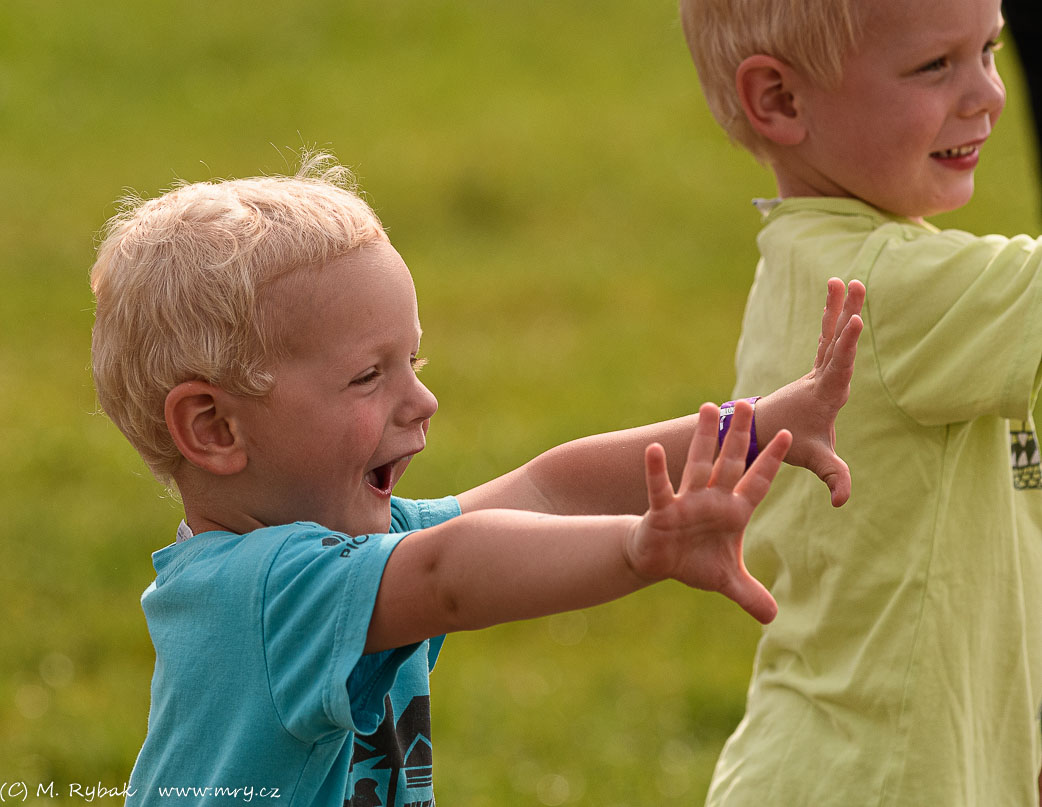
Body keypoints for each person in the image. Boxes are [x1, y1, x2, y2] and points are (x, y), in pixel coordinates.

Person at [88, 154, 863, 806]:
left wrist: (765, 422)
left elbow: (552, 488)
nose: (422, 401)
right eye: (368, 376)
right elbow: (452, 572)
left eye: (412, 361)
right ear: (216, 428)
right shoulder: (263, 592)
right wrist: (638, 546)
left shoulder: (341, 553)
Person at [677, 0, 1042, 804]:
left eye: (990, 49)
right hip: (881, 780)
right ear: (780, 100)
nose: (987, 93)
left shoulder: (821, 256)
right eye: (934, 65)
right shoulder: (886, 288)